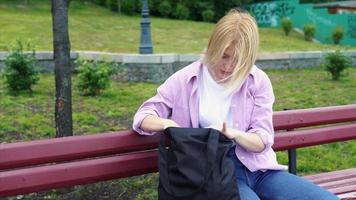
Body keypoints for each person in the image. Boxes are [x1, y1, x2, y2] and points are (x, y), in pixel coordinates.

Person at [132, 9, 339, 200]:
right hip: (217, 172)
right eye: (224, 55)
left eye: (238, 60)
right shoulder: (185, 79)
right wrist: (168, 124)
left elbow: (262, 140)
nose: (228, 66)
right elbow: (143, 117)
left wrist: (234, 133)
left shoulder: (257, 81)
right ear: (212, 46)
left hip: (261, 170)